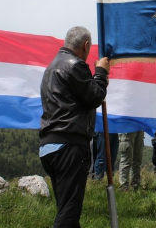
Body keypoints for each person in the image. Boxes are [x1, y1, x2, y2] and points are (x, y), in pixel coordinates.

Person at [39, 26, 110, 227]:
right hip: (69, 146)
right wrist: (101, 73)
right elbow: (95, 96)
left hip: (49, 146)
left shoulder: (50, 67)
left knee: (67, 210)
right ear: (86, 45)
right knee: (68, 215)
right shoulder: (75, 65)